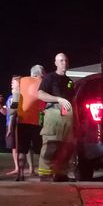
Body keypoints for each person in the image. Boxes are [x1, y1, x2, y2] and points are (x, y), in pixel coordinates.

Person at [37, 53, 75, 182]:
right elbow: (40, 94)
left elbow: (73, 100)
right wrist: (57, 99)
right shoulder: (50, 78)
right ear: (55, 63)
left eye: (65, 60)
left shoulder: (69, 81)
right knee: (51, 145)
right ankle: (44, 174)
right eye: (61, 60)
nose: (64, 63)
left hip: (67, 116)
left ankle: (61, 173)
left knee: (66, 147)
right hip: (53, 114)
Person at [14, 64, 46, 181]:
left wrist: (14, 114)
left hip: (22, 120)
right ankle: (43, 173)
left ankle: (20, 174)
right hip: (38, 121)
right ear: (41, 74)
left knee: (22, 149)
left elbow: (15, 99)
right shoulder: (43, 82)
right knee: (42, 149)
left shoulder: (21, 81)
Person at [4, 76, 22, 176]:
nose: (11, 84)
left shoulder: (17, 95)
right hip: (12, 122)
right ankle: (20, 168)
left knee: (16, 146)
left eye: (13, 82)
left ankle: (19, 168)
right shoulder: (12, 96)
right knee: (15, 146)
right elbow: (8, 112)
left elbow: (13, 111)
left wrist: (10, 127)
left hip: (15, 123)